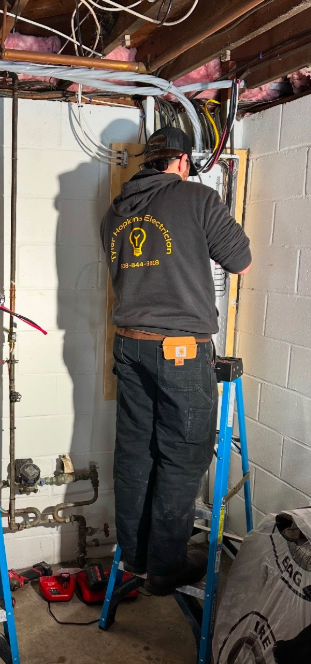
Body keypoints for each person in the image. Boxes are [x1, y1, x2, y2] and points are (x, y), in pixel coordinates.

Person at [100, 126, 251, 596]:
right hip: (179, 352)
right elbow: (241, 260)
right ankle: (165, 567)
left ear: (149, 161)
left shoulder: (114, 213)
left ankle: (136, 554)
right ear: (183, 161)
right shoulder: (197, 199)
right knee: (182, 456)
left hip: (128, 344)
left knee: (134, 452)